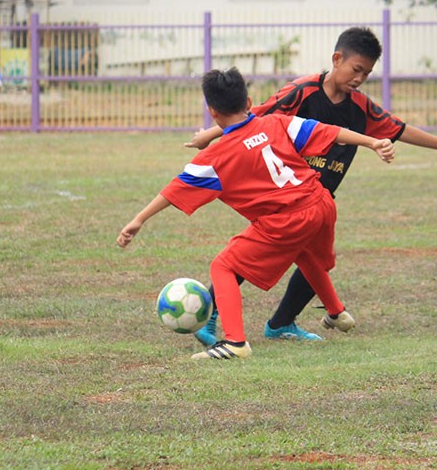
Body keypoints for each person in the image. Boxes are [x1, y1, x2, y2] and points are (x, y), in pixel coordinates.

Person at [184, 27, 437, 345]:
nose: (360, 78)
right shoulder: (301, 92)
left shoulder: (360, 107)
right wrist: (210, 135)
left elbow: (399, 129)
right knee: (250, 252)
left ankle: (282, 322)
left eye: (366, 73)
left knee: (319, 260)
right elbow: (250, 117)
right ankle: (211, 317)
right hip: (283, 196)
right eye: (356, 69)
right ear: (337, 59)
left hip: (318, 200)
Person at [116, 67, 395, 360]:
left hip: (287, 218)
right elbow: (328, 132)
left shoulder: (216, 157)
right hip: (321, 203)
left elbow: (174, 190)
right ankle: (336, 312)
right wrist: (373, 142)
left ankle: (235, 343)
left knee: (223, 267)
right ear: (249, 103)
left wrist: (139, 219)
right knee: (307, 255)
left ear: (212, 111)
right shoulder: (274, 123)